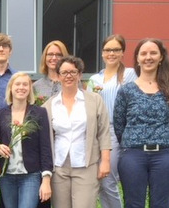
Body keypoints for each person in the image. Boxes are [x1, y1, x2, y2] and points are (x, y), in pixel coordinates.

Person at [113, 38, 169, 208]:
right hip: (133, 156)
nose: (148, 57)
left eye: (153, 53)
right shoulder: (126, 90)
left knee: (161, 204)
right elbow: (119, 124)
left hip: (164, 155)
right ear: (137, 58)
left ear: (161, 58)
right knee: (133, 204)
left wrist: (162, 139)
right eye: (143, 53)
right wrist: (133, 142)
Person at [42, 56, 111, 208]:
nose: (69, 76)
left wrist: (105, 161)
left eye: (73, 72)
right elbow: (45, 139)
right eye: (64, 72)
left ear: (79, 75)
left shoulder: (94, 100)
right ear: (58, 76)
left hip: (86, 164)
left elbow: (104, 132)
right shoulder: (49, 105)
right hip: (59, 166)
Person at [86, 34, 137, 208]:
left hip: (116, 131)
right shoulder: (94, 79)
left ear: (123, 53)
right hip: (95, 134)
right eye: (108, 50)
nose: (111, 53)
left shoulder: (130, 75)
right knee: (98, 181)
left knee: (108, 180)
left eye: (116, 50)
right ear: (102, 53)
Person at [0, 72, 53, 208]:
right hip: (6, 176)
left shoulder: (40, 113)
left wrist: (46, 178)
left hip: (30, 175)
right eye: (17, 84)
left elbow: (45, 147)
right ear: (10, 88)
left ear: (30, 89)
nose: (21, 87)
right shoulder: (1, 114)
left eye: (25, 84)